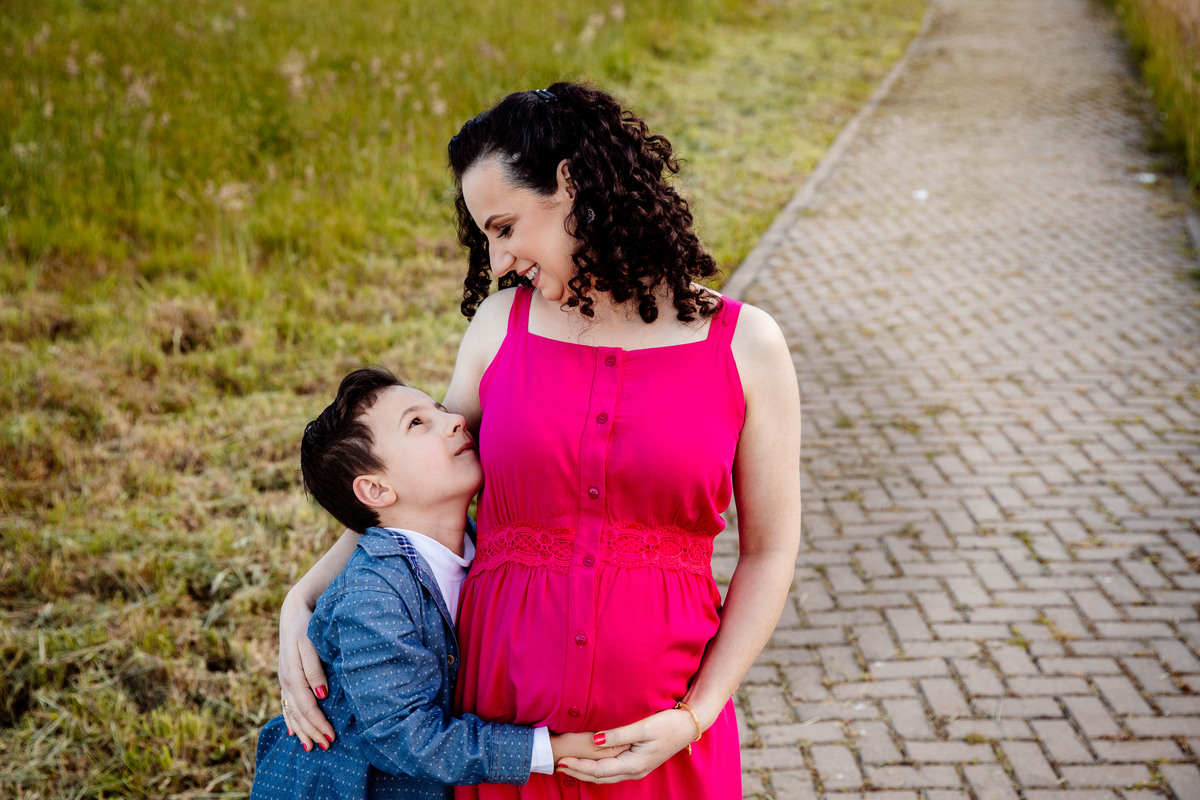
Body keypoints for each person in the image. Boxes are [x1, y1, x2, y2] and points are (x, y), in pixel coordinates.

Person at [277, 82, 802, 798]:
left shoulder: (748, 346)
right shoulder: (500, 327)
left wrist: (697, 714)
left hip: (663, 736)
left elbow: (771, 551)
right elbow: (406, 501)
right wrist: (298, 605)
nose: (496, 261)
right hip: (503, 735)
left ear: (570, 185)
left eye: (504, 227)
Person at [253, 367, 621, 799]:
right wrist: (548, 750)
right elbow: (402, 734)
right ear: (375, 489)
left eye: (441, 409)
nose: (457, 420)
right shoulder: (375, 593)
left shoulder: (485, 543)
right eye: (416, 423)